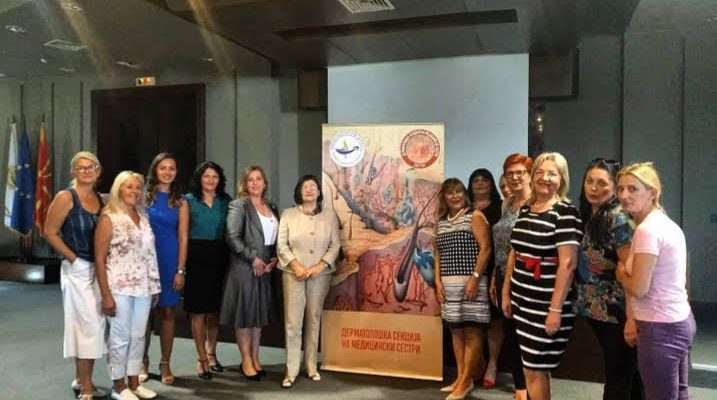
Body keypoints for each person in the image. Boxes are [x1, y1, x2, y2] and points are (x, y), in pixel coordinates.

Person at [502, 152, 583, 400]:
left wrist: (555, 310)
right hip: (522, 301)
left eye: (552, 173)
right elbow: (515, 252)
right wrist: (506, 292)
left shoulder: (565, 213)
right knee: (531, 368)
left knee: (535, 367)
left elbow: (568, 264)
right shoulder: (527, 209)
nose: (545, 178)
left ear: (562, 179)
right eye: (539, 172)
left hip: (547, 305)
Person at [616, 162, 696, 400]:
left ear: (653, 192)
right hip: (678, 321)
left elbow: (639, 288)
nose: (624, 195)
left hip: (660, 328)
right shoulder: (664, 223)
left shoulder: (647, 230)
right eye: (620, 189)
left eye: (633, 189)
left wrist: (621, 274)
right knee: (678, 394)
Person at [574, 158, 643, 400]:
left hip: (617, 310)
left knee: (618, 378)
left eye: (602, 183)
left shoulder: (617, 218)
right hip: (597, 310)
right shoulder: (592, 215)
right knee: (628, 375)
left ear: (615, 187)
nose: (594, 188)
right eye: (589, 181)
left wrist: (632, 319)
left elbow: (631, 270)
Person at [43, 151, 107, 400]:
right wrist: (73, 258)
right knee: (86, 326)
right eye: (81, 168)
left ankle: (81, 378)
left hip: (98, 269)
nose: (87, 171)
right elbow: (49, 232)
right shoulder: (65, 197)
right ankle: (87, 387)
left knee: (92, 325)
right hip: (77, 269)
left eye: (92, 167)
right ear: (73, 172)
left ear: (98, 171)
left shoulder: (101, 199)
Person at [95, 171, 161, 400]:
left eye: (138, 187)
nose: (134, 191)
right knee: (120, 337)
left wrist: (154, 285)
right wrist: (106, 295)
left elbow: (150, 253)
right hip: (118, 287)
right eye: (129, 186)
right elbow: (100, 259)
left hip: (143, 287)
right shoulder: (109, 217)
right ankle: (118, 385)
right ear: (118, 189)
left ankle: (134, 382)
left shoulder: (142, 216)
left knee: (139, 335)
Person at [276, 174, 340, 388]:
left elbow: (335, 245)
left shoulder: (329, 216)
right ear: (299, 191)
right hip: (292, 274)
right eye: (306, 186)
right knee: (292, 323)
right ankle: (291, 370)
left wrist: (320, 266)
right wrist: (296, 265)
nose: (310, 189)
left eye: (314, 186)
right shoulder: (288, 214)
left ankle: (311, 366)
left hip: (319, 276)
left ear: (319, 192)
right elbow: (281, 245)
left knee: (313, 319)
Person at [434, 178, 492, 400]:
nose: (455, 196)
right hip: (449, 287)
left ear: (464, 193)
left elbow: (486, 249)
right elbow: (438, 254)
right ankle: (460, 378)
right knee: (456, 332)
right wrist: (438, 282)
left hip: (471, 285)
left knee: (472, 332)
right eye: (450, 192)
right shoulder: (441, 222)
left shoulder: (474, 216)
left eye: (458, 191)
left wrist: (475, 278)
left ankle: (467, 380)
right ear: (444, 196)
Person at [220, 165, 279, 381]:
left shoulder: (271, 206)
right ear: (245, 184)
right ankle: (245, 359)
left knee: (258, 316)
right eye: (250, 179)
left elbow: (277, 238)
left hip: (266, 268)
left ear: (265, 183)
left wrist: (275, 258)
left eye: (258, 179)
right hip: (245, 267)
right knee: (245, 315)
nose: (255, 183)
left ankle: (255, 357)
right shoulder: (239, 205)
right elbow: (232, 236)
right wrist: (252, 258)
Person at [141, 153, 189, 385]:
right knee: (144, 314)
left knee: (168, 312)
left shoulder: (180, 201)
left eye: (172, 168)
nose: (167, 172)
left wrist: (180, 270)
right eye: (163, 168)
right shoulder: (142, 196)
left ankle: (165, 363)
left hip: (169, 258)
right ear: (155, 170)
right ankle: (142, 361)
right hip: (144, 260)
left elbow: (183, 236)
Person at [183, 161, 231, 380]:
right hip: (196, 258)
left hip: (220, 257)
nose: (211, 180)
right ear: (199, 179)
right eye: (206, 176)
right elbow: (183, 234)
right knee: (198, 311)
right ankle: (201, 357)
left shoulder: (225, 201)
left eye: (215, 176)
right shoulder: (188, 200)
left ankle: (212, 353)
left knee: (214, 311)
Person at [491, 153, 533, 400]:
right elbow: (499, 245)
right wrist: (495, 280)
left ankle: (530, 389)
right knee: (510, 333)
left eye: (520, 173)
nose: (515, 177)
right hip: (501, 275)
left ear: (530, 175)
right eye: (510, 174)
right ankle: (520, 389)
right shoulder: (507, 204)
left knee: (527, 336)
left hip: (525, 277)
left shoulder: (536, 204)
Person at [466, 168, 502, 389]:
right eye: (475, 180)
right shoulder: (463, 209)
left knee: (494, 320)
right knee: (473, 320)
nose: (480, 183)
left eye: (485, 180)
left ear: (491, 184)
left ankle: (493, 364)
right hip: (467, 270)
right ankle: (476, 362)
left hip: (494, 268)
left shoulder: (501, 207)